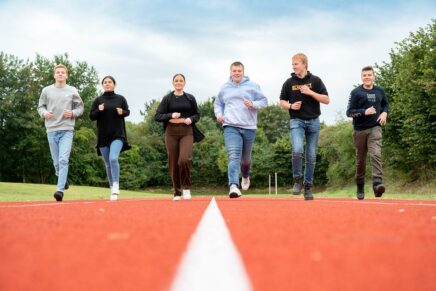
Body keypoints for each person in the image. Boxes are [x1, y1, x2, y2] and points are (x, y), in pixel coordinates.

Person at [279, 53, 329, 200]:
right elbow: (281, 101)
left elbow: (326, 100)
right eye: (292, 64)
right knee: (297, 150)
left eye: (296, 64)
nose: (293, 66)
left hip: (313, 121)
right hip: (296, 121)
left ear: (304, 64)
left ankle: (308, 187)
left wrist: (310, 92)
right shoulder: (289, 82)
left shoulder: (316, 80)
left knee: (311, 156)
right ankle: (297, 180)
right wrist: (290, 105)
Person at [214, 61, 268, 198]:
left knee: (246, 160)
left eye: (239, 71)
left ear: (243, 72)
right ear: (230, 72)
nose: (237, 73)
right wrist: (219, 115)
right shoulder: (224, 88)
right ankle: (233, 186)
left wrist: (253, 104)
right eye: (234, 71)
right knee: (233, 155)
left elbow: (264, 102)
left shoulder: (252, 86)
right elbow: (218, 103)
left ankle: (245, 175)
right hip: (230, 125)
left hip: (249, 126)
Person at [37, 64, 84, 202]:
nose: (60, 74)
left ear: (66, 75)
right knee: (56, 163)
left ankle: (60, 190)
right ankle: (63, 180)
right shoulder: (46, 90)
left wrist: (73, 113)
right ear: (54, 75)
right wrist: (44, 113)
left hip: (67, 129)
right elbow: (40, 106)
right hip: (51, 129)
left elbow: (80, 107)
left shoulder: (72, 90)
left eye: (63, 72)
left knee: (63, 160)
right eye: (58, 72)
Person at [155, 74, 204, 201]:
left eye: (181, 81)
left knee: (184, 159)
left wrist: (190, 119)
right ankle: (177, 192)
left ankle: (186, 187)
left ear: (184, 83)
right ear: (172, 83)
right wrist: (171, 115)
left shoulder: (190, 98)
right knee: (173, 162)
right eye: (176, 81)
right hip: (171, 132)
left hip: (187, 131)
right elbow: (158, 116)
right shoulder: (167, 99)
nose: (178, 82)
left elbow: (197, 115)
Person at [346, 66, 389, 200]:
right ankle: (360, 185)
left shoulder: (380, 91)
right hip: (359, 130)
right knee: (360, 160)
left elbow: (386, 105)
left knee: (376, 153)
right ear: (361, 77)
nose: (367, 77)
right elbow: (349, 112)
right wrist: (364, 112)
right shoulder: (356, 92)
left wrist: (384, 113)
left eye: (369, 75)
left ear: (373, 76)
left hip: (375, 128)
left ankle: (377, 183)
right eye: (364, 75)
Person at [89, 76, 131, 201]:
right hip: (103, 135)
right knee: (107, 163)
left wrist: (122, 112)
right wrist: (98, 110)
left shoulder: (120, 98)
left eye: (110, 82)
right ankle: (112, 187)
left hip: (117, 134)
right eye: (105, 82)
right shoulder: (98, 100)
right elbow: (91, 116)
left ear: (114, 84)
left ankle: (116, 185)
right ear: (102, 85)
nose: (107, 84)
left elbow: (127, 111)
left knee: (113, 158)